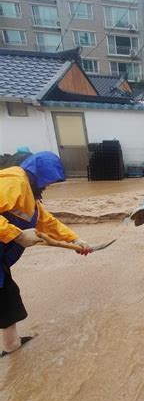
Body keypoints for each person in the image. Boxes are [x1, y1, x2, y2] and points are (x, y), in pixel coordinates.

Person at [0, 152, 91, 357]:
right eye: (47, 181)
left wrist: (75, 240)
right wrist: (16, 234)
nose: (47, 186)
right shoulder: (14, 181)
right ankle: (12, 350)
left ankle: (12, 346)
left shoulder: (30, 197)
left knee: (7, 296)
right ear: (38, 174)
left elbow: (47, 222)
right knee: (6, 300)